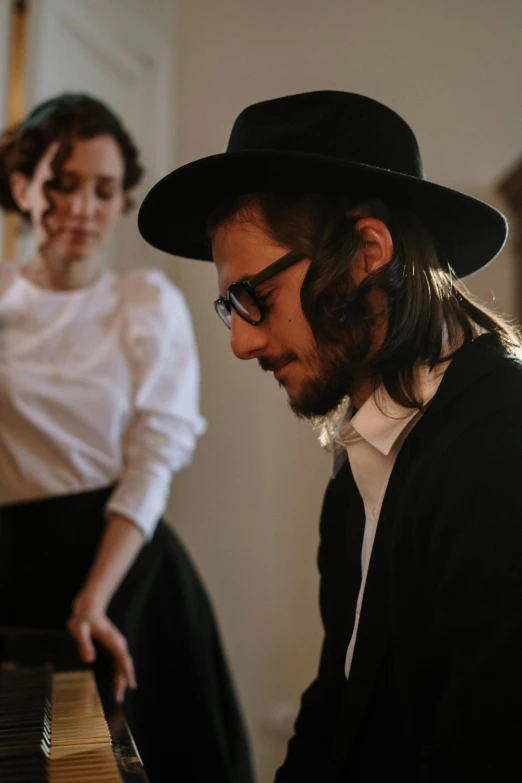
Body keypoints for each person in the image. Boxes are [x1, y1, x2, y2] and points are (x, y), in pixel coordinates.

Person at [138, 90, 522, 781]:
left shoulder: (503, 445)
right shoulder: (357, 470)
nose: (241, 341)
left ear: (366, 252)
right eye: (229, 306)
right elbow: (335, 715)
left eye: (256, 296)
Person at [0, 93, 253, 783]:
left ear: (122, 200)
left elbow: (154, 458)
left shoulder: (145, 302)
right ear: (22, 185)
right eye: (63, 183)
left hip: (126, 572)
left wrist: (94, 597)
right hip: (13, 570)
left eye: (104, 190)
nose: (83, 207)